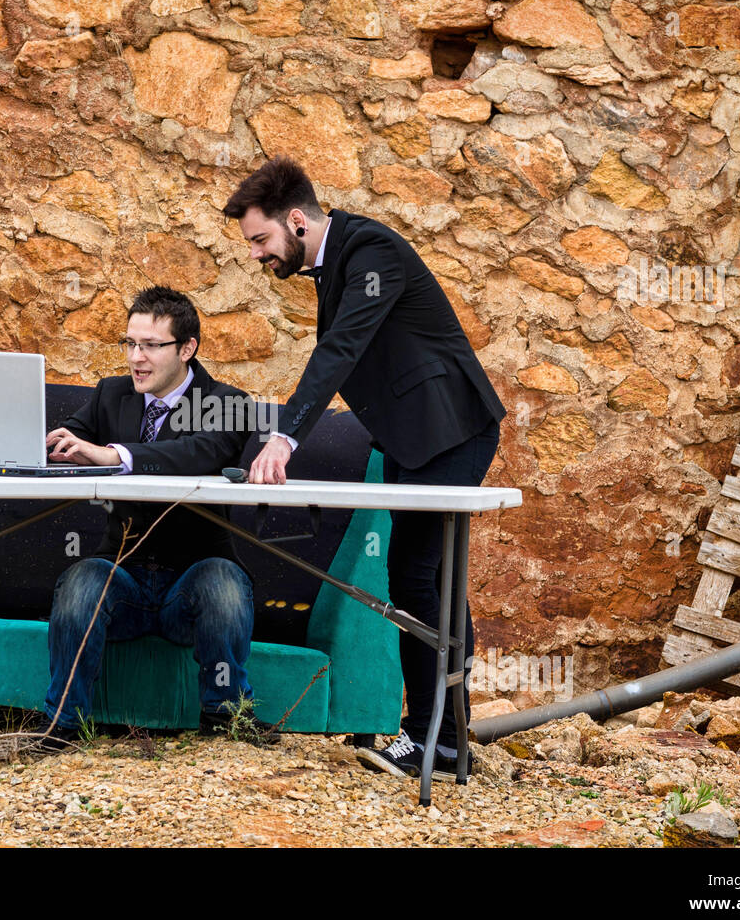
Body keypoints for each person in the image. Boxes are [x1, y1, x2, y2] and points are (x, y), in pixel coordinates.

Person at [223, 156, 506, 779]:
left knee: (415, 578)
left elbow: (340, 352)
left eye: (260, 239)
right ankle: (448, 737)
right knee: (431, 584)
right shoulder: (336, 262)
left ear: (296, 221)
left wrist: (283, 440)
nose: (256, 255)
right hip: (415, 442)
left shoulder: (370, 251)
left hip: (452, 434)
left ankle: (429, 736)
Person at [39, 285, 271, 749]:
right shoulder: (110, 394)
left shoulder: (227, 403)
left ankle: (226, 719)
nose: (136, 358)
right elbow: (72, 442)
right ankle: (62, 725)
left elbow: (198, 452)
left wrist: (110, 455)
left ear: (188, 348)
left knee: (223, 583)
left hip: (192, 586)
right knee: (83, 580)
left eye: (151, 345)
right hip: (121, 579)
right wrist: (53, 446)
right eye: (130, 343)